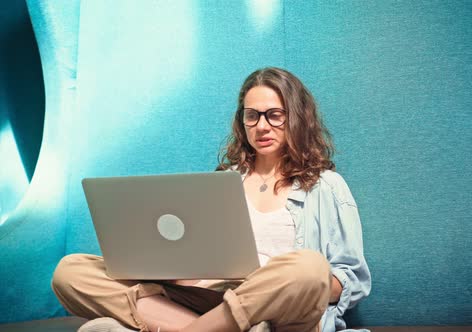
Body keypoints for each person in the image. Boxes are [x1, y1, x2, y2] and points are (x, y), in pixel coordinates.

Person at [51, 67, 371, 332]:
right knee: (70, 271)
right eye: (252, 116)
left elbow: (352, 279)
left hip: (279, 307)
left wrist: (283, 282)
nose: (262, 126)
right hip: (209, 297)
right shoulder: (223, 181)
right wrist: (173, 267)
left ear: (297, 117)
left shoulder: (327, 186)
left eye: (275, 115)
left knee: (309, 265)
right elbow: (196, 260)